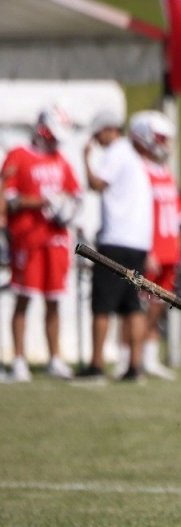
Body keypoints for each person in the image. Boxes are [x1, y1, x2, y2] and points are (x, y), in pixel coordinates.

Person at [0, 106, 82, 382]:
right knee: (23, 297)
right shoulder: (19, 155)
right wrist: (42, 201)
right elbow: (8, 198)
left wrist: (65, 208)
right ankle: (19, 360)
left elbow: (75, 194)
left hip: (55, 239)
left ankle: (55, 358)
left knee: (54, 299)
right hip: (27, 238)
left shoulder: (60, 160)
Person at [77, 110, 153, 382]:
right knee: (132, 305)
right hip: (138, 242)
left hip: (116, 240)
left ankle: (96, 365)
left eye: (98, 134)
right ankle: (135, 366)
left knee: (102, 304)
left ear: (109, 130)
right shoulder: (134, 156)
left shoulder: (116, 152)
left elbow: (97, 184)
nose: (97, 140)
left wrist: (85, 159)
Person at [116, 111, 181, 380]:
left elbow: (178, 216)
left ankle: (149, 355)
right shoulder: (139, 171)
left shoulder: (165, 172)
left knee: (157, 305)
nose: (164, 144)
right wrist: (148, 250)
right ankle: (126, 356)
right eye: (160, 138)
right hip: (149, 250)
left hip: (169, 250)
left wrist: (179, 249)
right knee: (135, 307)